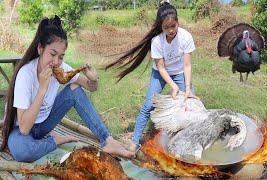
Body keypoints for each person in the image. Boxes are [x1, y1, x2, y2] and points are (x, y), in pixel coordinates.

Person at [0, 15, 135, 162]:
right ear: (40, 48)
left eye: (61, 57)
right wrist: (42, 89)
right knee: (22, 151)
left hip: (44, 124)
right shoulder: (25, 74)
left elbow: (90, 87)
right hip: (20, 130)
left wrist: (93, 78)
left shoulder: (61, 68)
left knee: (75, 90)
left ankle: (107, 140)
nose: (56, 62)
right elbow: (24, 128)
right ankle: (56, 140)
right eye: (52, 54)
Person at [105, 1, 197, 151]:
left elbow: (187, 65)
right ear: (161, 26)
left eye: (173, 26)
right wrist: (173, 86)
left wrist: (187, 88)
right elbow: (161, 68)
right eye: (166, 27)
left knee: (189, 105)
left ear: (178, 22)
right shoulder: (157, 41)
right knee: (148, 106)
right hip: (160, 73)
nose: (171, 30)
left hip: (180, 72)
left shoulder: (186, 37)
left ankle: (188, 144)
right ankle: (135, 142)